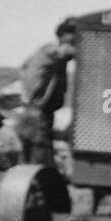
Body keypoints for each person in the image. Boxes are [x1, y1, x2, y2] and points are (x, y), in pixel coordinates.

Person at [17, 17, 76, 166]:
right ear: (64, 35)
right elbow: (64, 51)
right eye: (74, 35)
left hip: (32, 112)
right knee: (40, 162)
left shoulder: (40, 55)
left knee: (29, 159)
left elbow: (24, 66)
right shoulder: (50, 50)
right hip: (38, 115)